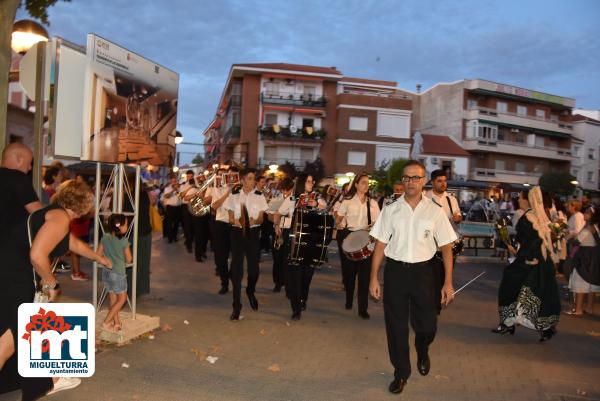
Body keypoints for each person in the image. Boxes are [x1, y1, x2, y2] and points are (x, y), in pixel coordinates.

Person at [0, 180, 111, 400]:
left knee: (17, 337)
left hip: (9, 275)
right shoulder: (59, 218)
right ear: (84, 204)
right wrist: (51, 283)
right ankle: (50, 380)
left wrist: (99, 258)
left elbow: (72, 244)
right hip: (15, 280)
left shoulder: (53, 214)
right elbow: (37, 255)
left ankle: (49, 380)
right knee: (8, 342)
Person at [369, 160, 457, 395]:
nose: (410, 182)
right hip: (396, 272)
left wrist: (448, 282)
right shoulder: (390, 209)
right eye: (406, 178)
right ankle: (401, 373)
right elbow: (380, 244)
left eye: (415, 178)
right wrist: (373, 278)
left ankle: (423, 348)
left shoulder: (435, 211)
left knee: (427, 326)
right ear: (403, 180)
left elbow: (447, 247)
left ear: (423, 180)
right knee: (396, 327)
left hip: (424, 274)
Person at [492, 187, 561, 341]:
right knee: (540, 293)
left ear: (527, 200)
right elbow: (542, 239)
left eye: (521, 198)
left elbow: (535, 241)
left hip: (530, 261)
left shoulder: (527, 218)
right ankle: (546, 328)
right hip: (543, 262)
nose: (519, 200)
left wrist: (527, 256)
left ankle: (507, 324)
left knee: (510, 286)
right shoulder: (540, 218)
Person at [224, 168, 268, 320]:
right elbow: (229, 217)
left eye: (253, 178)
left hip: (253, 234)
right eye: (249, 178)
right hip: (237, 233)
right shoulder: (234, 195)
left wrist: (255, 220)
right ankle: (237, 306)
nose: (252, 181)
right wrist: (236, 220)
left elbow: (262, 218)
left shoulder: (259, 196)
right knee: (237, 272)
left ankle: (250, 290)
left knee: (254, 270)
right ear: (242, 180)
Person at [336, 173, 380, 319]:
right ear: (356, 185)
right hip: (349, 236)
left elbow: (377, 223)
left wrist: (374, 227)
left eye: (367, 183)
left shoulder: (372, 203)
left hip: (366, 239)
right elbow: (339, 218)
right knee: (349, 274)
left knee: (364, 276)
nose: (366, 185)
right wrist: (339, 222)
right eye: (363, 183)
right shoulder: (347, 201)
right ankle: (349, 299)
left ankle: (363, 308)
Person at [286, 174, 326, 320]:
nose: (312, 183)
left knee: (307, 275)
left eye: (312, 181)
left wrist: (316, 205)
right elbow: (282, 212)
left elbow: (325, 209)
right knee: (295, 275)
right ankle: (296, 308)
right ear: (303, 183)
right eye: (309, 181)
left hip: (312, 240)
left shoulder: (317, 197)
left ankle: (303, 298)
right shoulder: (292, 197)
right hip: (295, 241)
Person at [426, 169, 462, 314]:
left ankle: (437, 304)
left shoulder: (451, 199)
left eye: (444, 181)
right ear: (433, 182)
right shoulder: (425, 197)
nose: (443, 184)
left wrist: (457, 218)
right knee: (431, 277)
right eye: (439, 181)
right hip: (430, 245)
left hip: (447, 244)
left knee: (444, 275)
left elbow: (458, 216)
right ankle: (431, 304)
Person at [99, 214, 133, 332]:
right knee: (121, 300)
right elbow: (129, 259)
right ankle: (106, 321)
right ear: (120, 227)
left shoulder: (105, 237)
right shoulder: (124, 241)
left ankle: (116, 322)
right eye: (126, 224)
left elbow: (98, 255)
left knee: (113, 299)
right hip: (118, 273)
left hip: (106, 273)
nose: (127, 226)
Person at [566, 206, 600, 316]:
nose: (584, 214)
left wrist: (567, 238)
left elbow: (577, 241)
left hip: (585, 258)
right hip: (593, 258)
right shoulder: (595, 227)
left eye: (587, 213)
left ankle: (578, 310)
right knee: (591, 285)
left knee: (580, 284)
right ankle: (589, 308)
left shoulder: (588, 228)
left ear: (592, 216)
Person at [204, 168, 233, 294]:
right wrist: (227, 194)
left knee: (237, 255)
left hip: (236, 225)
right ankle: (224, 283)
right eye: (220, 176)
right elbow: (214, 206)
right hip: (221, 223)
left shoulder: (239, 189)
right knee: (221, 256)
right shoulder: (217, 188)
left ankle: (231, 275)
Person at [272, 178, 295, 294]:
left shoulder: (294, 199)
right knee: (277, 259)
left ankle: (287, 284)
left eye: (289, 191)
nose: (286, 193)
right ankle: (277, 282)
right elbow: (272, 215)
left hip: (289, 231)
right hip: (279, 231)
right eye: (284, 191)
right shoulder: (277, 199)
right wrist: (276, 225)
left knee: (287, 259)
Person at [161, 176, 183, 243]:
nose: (174, 182)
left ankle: (174, 236)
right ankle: (170, 238)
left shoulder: (179, 188)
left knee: (176, 223)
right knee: (169, 223)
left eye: (175, 181)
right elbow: (166, 196)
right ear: (170, 182)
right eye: (172, 181)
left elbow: (181, 197)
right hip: (170, 207)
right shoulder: (167, 188)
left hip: (178, 207)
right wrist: (173, 190)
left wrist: (178, 190)